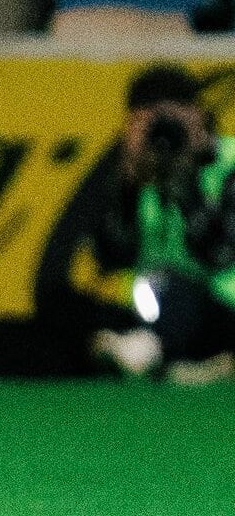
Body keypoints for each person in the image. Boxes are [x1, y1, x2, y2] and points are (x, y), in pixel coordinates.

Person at [89, 64, 235, 381]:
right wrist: (128, 186)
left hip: (221, 306)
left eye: (173, 120)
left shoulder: (229, 164)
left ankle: (148, 351)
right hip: (156, 302)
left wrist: (185, 180)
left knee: (177, 289)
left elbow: (219, 255)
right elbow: (110, 259)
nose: (163, 132)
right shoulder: (134, 171)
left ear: (198, 116)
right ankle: (174, 357)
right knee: (69, 303)